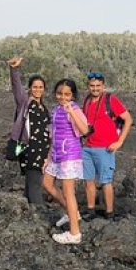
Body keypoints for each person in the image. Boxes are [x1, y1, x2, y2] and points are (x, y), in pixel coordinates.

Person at [80, 71, 133, 221]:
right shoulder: (87, 101)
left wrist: (120, 141)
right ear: (88, 86)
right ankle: (91, 210)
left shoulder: (111, 100)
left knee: (106, 181)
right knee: (88, 180)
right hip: (87, 147)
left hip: (105, 148)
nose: (95, 88)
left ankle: (109, 212)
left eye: (98, 86)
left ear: (103, 86)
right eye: (92, 86)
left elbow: (128, 119)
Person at [44, 78, 89, 245]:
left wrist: (71, 112)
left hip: (69, 155)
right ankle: (73, 213)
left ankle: (74, 233)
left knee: (68, 192)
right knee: (47, 184)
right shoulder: (56, 109)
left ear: (73, 95)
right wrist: (48, 157)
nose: (63, 97)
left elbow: (84, 130)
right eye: (59, 94)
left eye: (67, 94)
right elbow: (53, 134)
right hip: (56, 154)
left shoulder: (74, 109)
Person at [7, 56, 50, 205]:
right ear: (30, 88)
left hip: (42, 151)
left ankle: (28, 212)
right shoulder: (25, 103)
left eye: (40, 87)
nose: (38, 90)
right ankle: (38, 213)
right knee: (35, 184)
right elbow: (16, 87)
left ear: (44, 89)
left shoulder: (44, 108)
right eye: (35, 87)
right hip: (29, 149)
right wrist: (14, 69)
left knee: (31, 183)